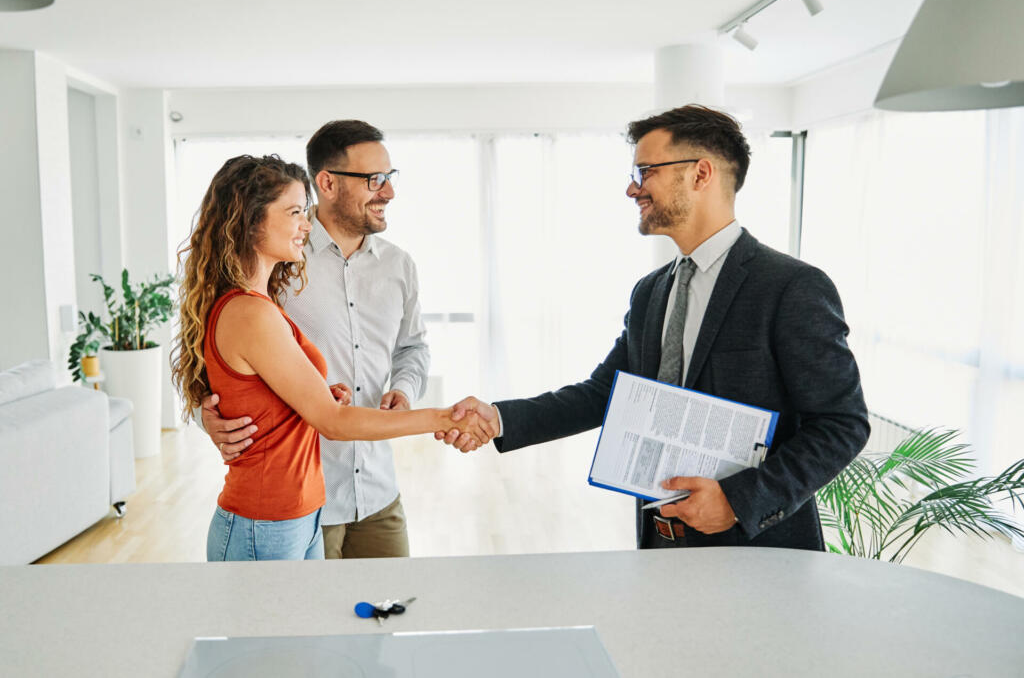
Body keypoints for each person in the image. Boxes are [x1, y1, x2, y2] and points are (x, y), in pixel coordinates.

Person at [440, 104, 869, 551]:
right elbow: (605, 393)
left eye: (645, 171)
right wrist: (500, 417)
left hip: (758, 546)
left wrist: (738, 501)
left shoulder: (791, 287)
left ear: (700, 174)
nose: (632, 188)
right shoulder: (651, 292)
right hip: (661, 540)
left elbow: (842, 423)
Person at [171, 154, 488, 561]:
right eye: (294, 212)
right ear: (250, 221)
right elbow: (333, 423)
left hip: (299, 514)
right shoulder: (251, 313)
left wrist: (317, 393)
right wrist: (442, 418)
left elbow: (279, 400)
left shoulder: (261, 303)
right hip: (264, 523)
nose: (306, 224)